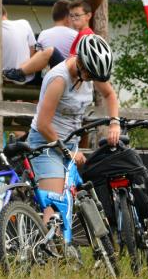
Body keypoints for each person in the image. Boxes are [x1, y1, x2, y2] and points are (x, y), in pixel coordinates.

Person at [29, 34, 120, 225]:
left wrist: (114, 122)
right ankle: (49, 243)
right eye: (89, 76)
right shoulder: (59, 79)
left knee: (72, 204)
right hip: (46, 144)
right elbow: (43, 124)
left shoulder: (89, 71)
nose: (91, 80)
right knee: (56, 210)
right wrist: (67, 152)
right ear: (80, 63)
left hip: (70, 143)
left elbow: (110, 94)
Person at [3, 0, 76, 84]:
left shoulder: (43, 34)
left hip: (47, 78)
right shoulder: (75, 35)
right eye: (72, 16)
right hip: (68, 78)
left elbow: (36, 57)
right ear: (67, 18)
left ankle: (17, 72)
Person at [0, 11, 37, 85]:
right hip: (27, 77)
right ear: (6, 13)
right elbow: (32, 48)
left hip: (2, 78)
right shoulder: (24, 23)